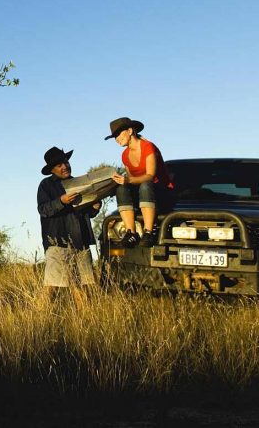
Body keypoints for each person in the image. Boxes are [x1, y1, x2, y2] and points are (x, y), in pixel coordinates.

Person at [36, 146, 101, 302]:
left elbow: (86, 213)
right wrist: (61, 201)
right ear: (52, 169)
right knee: (51, 285)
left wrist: (95, 208)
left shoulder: (78, 183)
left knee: (82, 286)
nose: (64, 166)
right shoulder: (46, 185)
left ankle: (85, 321)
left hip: (81, 241)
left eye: (65, 162)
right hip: (58, 241)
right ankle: (40, 318)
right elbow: (43, 209)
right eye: (59, 165)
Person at [106, 117, 173, 247]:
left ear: (130, 131)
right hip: (143, 193)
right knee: (121, 189)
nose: (117, 139)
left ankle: (148, 232)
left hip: (160, 193)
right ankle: (131, 232)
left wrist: (128, 180)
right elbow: (131, 182)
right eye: (114, 137)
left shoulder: (148, 147)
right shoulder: (125, 155)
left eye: (118, 134)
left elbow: (150, 176)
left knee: (145, 186)